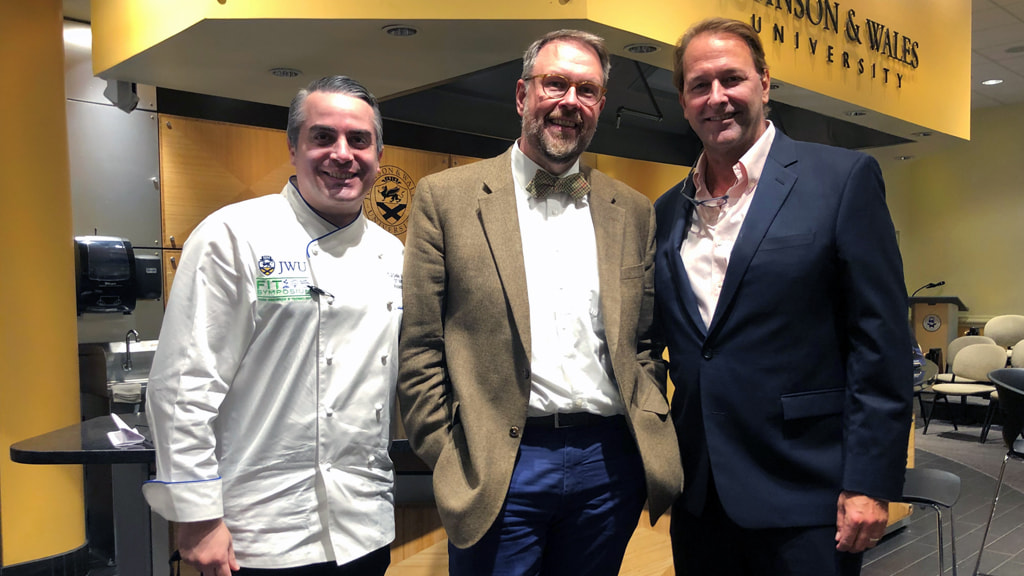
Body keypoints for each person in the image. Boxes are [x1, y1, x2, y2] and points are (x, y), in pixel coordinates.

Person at [398, 29, 681, 576]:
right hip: (501, 462)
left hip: (608, 462)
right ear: (523, 94)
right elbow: (421, 347)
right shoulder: (447, 198)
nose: (569, 102)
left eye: (588, 90)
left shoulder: (633, 209)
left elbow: (642, 342)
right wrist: (452, 454)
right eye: (555, 84)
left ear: (600, 105)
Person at [653, 18, 912, 576]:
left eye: (732, 79)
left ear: (765, 83)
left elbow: (881, 345)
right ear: (682, 100)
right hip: (701, 497)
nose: (717, 97)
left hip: (808, 495)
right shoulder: (666, 211)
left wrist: (869, 482)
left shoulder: (842, 179)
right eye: (700, 85)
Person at [142, 76, 403, 576]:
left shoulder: (394, 254)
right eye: (322, 137)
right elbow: (184, 384)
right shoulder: (233, 235)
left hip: (365, 522)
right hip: (259, 528)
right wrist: (197, 518)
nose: (342, 154)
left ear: (378, 152)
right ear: (293, 147)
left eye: (359, 140)